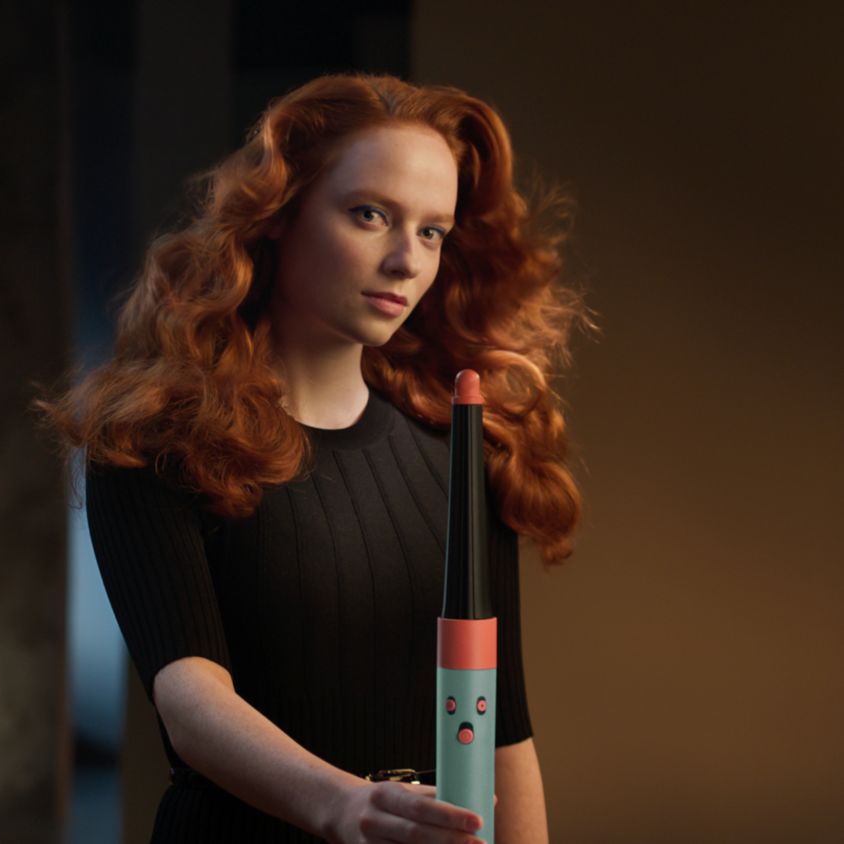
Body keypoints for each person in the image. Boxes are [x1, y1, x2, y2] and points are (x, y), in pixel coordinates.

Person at [34, 72, 595, 844]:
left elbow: (502, 728)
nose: (406, 260)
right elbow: (192, 703)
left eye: (433, 231)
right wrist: (343, 805)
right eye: (371, 215)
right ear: (278, 217)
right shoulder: (155, 442)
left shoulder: (464, 450)